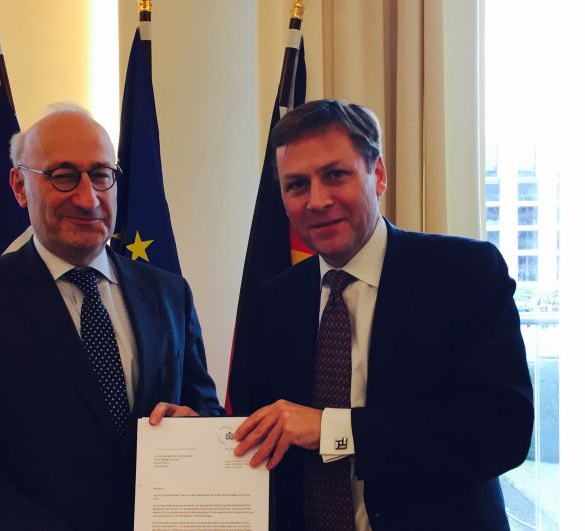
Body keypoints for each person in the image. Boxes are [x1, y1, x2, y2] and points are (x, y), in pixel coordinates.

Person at [0, 103, 223, 530]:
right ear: (20, 186)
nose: (87, 197)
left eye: (100, 174)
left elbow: (206, 413)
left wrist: (197, 430)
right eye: (63, 176)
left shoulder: (169, 294)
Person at [228, 99, 534, 530]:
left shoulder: (465, 274)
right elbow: (256, 426)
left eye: (335, 175)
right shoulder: (273, 300)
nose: (317, 200)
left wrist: (335, 429)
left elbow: (501, 431)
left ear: (379, 175)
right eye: (296, 185)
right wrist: (190, 434)